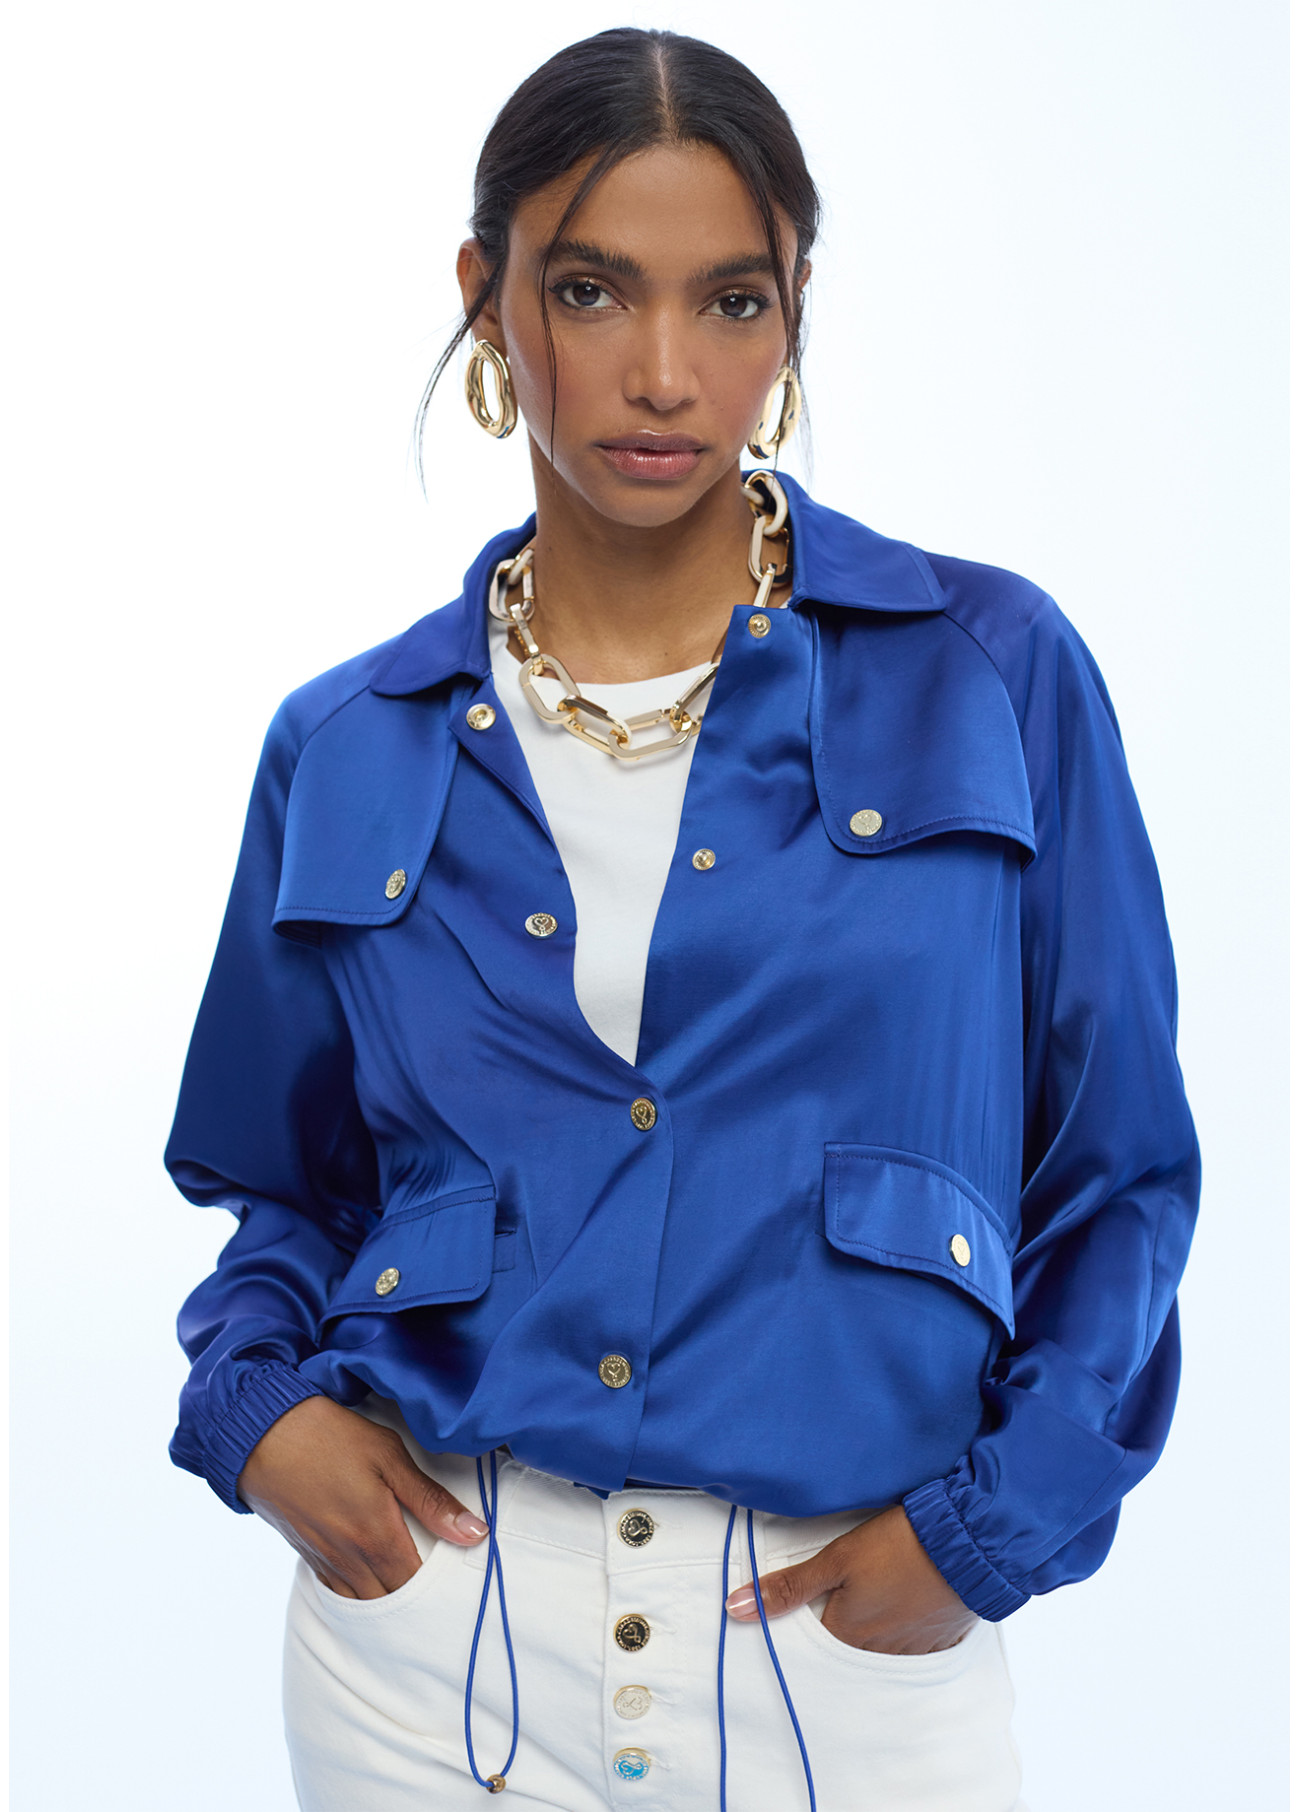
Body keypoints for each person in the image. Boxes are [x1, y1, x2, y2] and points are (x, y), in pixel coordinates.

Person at [165, 26, 1199, 1812]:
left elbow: (1119, 1179)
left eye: (731, 300)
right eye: (591, 290)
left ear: (794, 315)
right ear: (488, 300)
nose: (662, 374)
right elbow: (282, 1184)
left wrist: (993, 1525)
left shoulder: (991, 675)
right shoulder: (345, 746)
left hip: (844, 1648)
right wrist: (258, 1415)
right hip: (434, 1651)